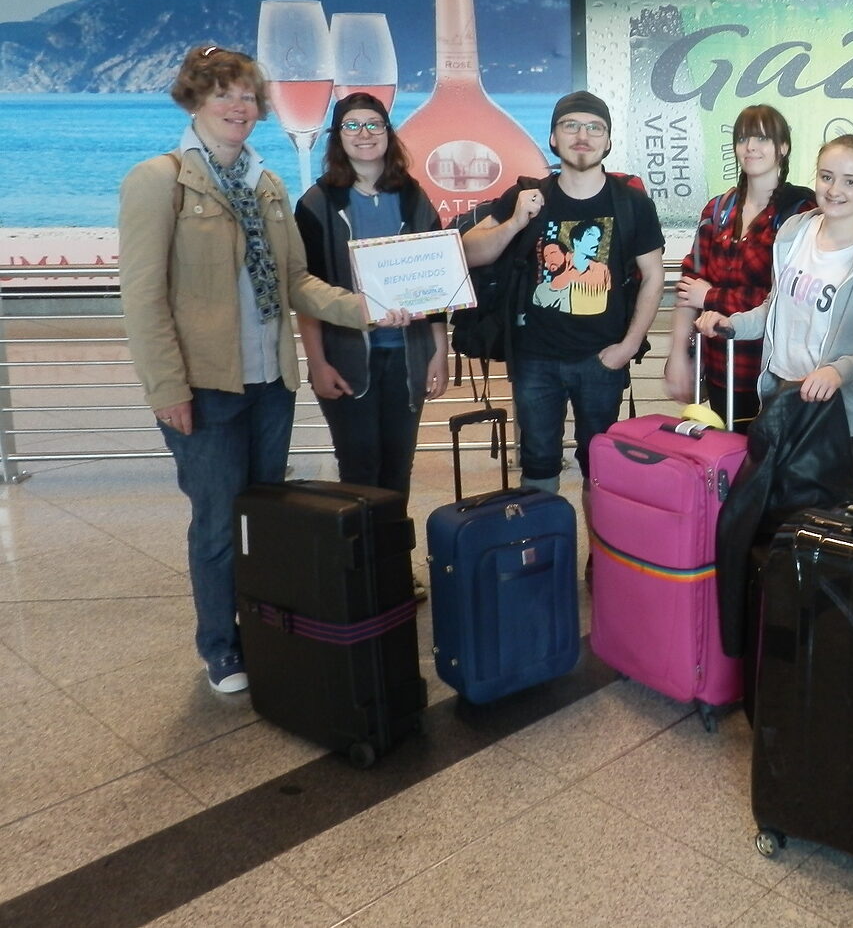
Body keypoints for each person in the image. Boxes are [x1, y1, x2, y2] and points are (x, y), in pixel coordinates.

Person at [119, 45, 411, 695]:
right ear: (194, 100)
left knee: (259, 520)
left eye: (248, 96)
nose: (239, 107)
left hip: (269, 385)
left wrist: (366, 308)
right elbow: (141, 297)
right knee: (219, 522)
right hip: (205, 386)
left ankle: (261, 629)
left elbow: (296, 281)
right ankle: (220, 646)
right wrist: (166, 388)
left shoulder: (266, 183)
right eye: (223, 93)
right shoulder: (159, 180)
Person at [460, 90, 664, 495]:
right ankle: (544, 557)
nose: (582, 135)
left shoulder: (632, 203)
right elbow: (469, 251)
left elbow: (653, 276)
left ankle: (599, 560)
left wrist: (629, 346)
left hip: (602, 358)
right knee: (537, 464)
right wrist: (516, 221)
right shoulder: (527, 196)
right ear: (553, 138)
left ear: (608, 140)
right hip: (535, 359)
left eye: (594, 127)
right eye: (570, 125)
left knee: (602, 468)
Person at [696, 134, 853, 465]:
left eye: (851, 181)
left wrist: (837, 372)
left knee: (821, 517)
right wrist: (731, 324)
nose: (835, 190)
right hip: (780, 398)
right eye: (826, 177)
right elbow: (773, 309)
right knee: (777, 511)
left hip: (837, 417)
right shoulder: (794, 232)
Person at [293, 92, 449, 510]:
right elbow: (307, 291)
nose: (364, 134)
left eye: (373, 124)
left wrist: (440, 351)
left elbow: (435, 281)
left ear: (388, 132)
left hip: (407, 358)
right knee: (359, 472)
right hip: (346, 359)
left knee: (398, 470)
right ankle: (363, 575)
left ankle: (395, 574)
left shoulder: (414, 197)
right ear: (337, 137)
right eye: (352, 125)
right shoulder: (316, 204)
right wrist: (317, 362)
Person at [663, 105, 815, 430]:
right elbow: (690, 286)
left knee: (768, 471)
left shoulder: (802, 212)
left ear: (783, 147)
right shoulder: (718, 209)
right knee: (726, 468)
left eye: (762, 138)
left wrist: (713, 297)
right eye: (743, 138)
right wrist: (677, 355)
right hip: (719, 367)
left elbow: (787, 298)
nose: (751, 147)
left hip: (776, 372)